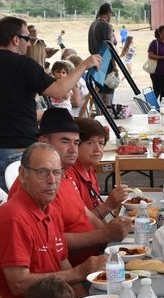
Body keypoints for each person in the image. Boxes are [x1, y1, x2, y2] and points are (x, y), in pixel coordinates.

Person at [0, 143, 105, 298]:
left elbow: (62, 259)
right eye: (43, 172)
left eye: (57, 173)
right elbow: (18, 284)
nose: (52, 181)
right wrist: (78, 272)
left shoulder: (48, 208)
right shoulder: (13, 218)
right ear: (23, 175)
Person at [0, 17, 99, 190]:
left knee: (1, 205)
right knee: (29, 203)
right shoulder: (24, 64)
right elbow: (60, 92)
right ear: (16, 40)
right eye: (27, 39)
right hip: (18, 146)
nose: (29, 44)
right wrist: (83, 65)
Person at [36, 108, 131, 261]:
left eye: (76, 142)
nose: (73, 149)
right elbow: (51, 243)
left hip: (94, 258)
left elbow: (86, 215)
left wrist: (115, 238)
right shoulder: (41, 185)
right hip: (82, 267)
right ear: (44, 143)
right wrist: (105, 233)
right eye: (65, 141)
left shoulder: (64, 175)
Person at [67, 117, 129, 219]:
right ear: (75, 144)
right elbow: (77, 225)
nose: (97, 149)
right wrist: (108, 205)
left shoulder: (89, 168)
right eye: (90, 143)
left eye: (101, 143)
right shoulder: (69, 176)